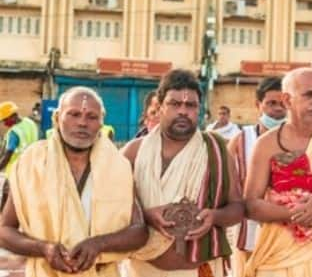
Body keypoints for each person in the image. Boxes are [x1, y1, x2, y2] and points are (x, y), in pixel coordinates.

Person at [0, 88, 148, 276]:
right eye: (74, 114)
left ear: (101, 122)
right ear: (57, 118)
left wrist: (99, 245)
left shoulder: (118, 167)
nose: (82, 123)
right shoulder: (32, 163)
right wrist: (44, 249)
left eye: (92, 117)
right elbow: (4, 231)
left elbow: (139, 232)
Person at [122, 69, 244, 277]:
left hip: (200, 270)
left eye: (190, 105)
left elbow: (238, 208)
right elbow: (113, 210)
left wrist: (214, 217)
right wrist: (147, 216)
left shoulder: (216, 149)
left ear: (199, 110)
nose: (183, 111)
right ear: (160, 107)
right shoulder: (133, 152)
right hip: (141, 270)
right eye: (175, 104)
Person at [243, 68, 312, 277]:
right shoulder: (266, 145)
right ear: (287, 100)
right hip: (277, 255)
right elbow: (250, 205)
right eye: (308, 95)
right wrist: (296, 213)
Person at [227, 76, 287, 272]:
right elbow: (228, 185)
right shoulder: (241, 140)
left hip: (287, 237)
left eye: (283, 103)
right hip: (249, 236)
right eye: (271, 103)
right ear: (258, 105)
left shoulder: (300, 141)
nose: (278, 109)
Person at [0, 102, 40, 175]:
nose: (4, 123)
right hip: (30, 168)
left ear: (12, 116)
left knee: (7, 187)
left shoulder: (14, 132)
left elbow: (7, 156)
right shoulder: (30, 123)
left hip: (15, 172)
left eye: (5, 120)